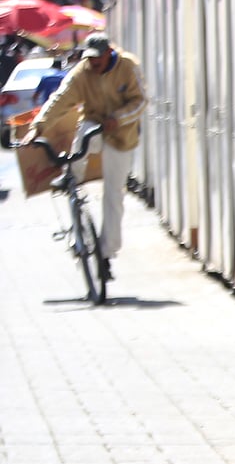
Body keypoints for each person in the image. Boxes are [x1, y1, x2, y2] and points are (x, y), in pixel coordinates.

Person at [21, 32, 147, 280]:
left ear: (109, 53)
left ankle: (106, 254)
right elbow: (61, 98)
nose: (92, 64)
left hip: (122, 134)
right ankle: (72, 177)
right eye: (89, 60)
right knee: (85, 133)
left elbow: (141, 101)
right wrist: (39, 125)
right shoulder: (83, 72)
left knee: (114, 196)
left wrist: (118, 118)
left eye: (96, 60)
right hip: (94, 124)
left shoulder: (128, 66)